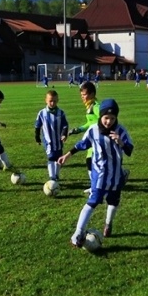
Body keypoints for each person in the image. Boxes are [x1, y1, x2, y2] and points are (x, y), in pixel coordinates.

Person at [59, 99, 134, 244]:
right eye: (106, 118)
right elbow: (82, 144)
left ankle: (108, 224)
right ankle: (78, 232)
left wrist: (121, 142)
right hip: (99, 174)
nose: (109, 121)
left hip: (115, 175)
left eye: (112, 118)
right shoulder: (93, 130)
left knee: (113, 201)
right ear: (100, 116)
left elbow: (129, 150)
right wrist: (67, 155)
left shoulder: (121, 131)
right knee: (93, 201)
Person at [68, 81, 100, 194]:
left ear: (92, 94)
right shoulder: (90, 106)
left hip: (98, 139)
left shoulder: (96, 107)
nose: (82, 97)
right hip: (93, 139)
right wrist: (78, 129)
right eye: (81, 95)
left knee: (92, 162)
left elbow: (104, 120)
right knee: (90, 162)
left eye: (84, 94)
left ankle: (119, 175)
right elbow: (90, 123)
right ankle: (94, 186)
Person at [35, 90, 69, 182]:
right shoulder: (42, 113)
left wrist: (64, 134)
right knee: (51, 157)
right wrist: (37, 137)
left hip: (58, 140)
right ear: (46, 100)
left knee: (59, 158)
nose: (52, 103)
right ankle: (52, 177)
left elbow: (65, 125)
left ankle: (56, 175)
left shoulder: (61, 113)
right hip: (48, 141)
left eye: (55, 101)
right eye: (50, 101)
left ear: (57, 100)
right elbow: (37, 126)